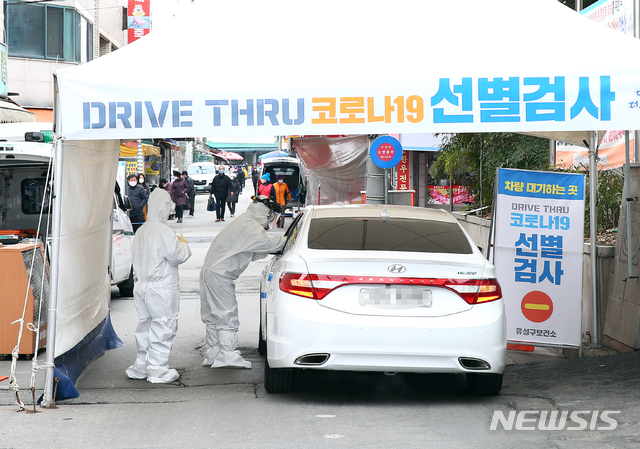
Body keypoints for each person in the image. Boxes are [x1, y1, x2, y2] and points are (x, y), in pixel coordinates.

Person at [200, 196, 286, 369]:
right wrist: (289, 241)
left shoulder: (245, 221)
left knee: (212, 315)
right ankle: (227, 355)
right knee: (226, 313)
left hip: (211, 271)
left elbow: (250, 250)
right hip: (220, 275)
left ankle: (215, 352)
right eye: (272, 216)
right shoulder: (250, 227)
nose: (271, 220)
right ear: (266, 213)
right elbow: (267, 244)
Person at [126, 189, 192, 383]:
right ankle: (157, 369)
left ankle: (140, 366)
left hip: (142, 286)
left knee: (146, 324)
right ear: (163, 207)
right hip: (161, 286)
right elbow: (176, 256)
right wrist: (184, 244)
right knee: (164, 324)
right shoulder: (164, 231)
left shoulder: (142, 230)